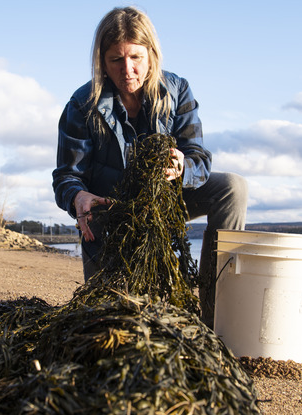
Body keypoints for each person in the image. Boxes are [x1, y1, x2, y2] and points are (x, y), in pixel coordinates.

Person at [52, 6, 248, 327]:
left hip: (165, 202)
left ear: (151, 55)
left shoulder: (177, 91)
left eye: (136, 58)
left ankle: (216, 313)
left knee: (232, 188)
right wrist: (77, 197)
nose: (127, 69)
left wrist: (184, 167)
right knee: (111, 320)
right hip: (109, 212)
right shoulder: (82, 105)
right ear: (102, 60)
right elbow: (66, 176)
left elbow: (198, 157)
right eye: (116, 59)